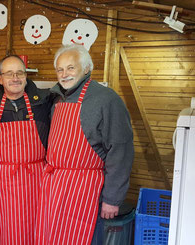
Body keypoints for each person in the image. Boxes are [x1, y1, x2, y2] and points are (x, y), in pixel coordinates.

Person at [36, 44, 134, 245]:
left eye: (71, 68)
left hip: (86, 189)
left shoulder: (106, 99)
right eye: (60, 69)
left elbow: (121, 151)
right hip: (55, 186)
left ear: (87, 69)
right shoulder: (55, 98)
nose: (65, 74)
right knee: (52, 238)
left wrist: (112, 199)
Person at [0, 55, 51, 245]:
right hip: (2, 182)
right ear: (0, 78)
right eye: (9, 73)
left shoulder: (44, 102)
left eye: (20, 73)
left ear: (26, 76)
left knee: (37, 229)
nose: (15, 78)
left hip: (36, 181)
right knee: (7, 232)